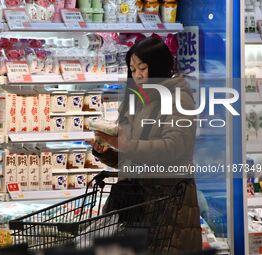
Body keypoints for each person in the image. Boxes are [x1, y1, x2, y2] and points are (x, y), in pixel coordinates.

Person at [88, 37, 202, 253]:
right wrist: (107, 151)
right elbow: (133, 154)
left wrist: (125, 144)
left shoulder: (179, 99)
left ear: (159, 66)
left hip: (168, 206)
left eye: (143, 67)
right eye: (132, 69)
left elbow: (172, 147)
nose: (137, 75)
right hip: (136, 204)